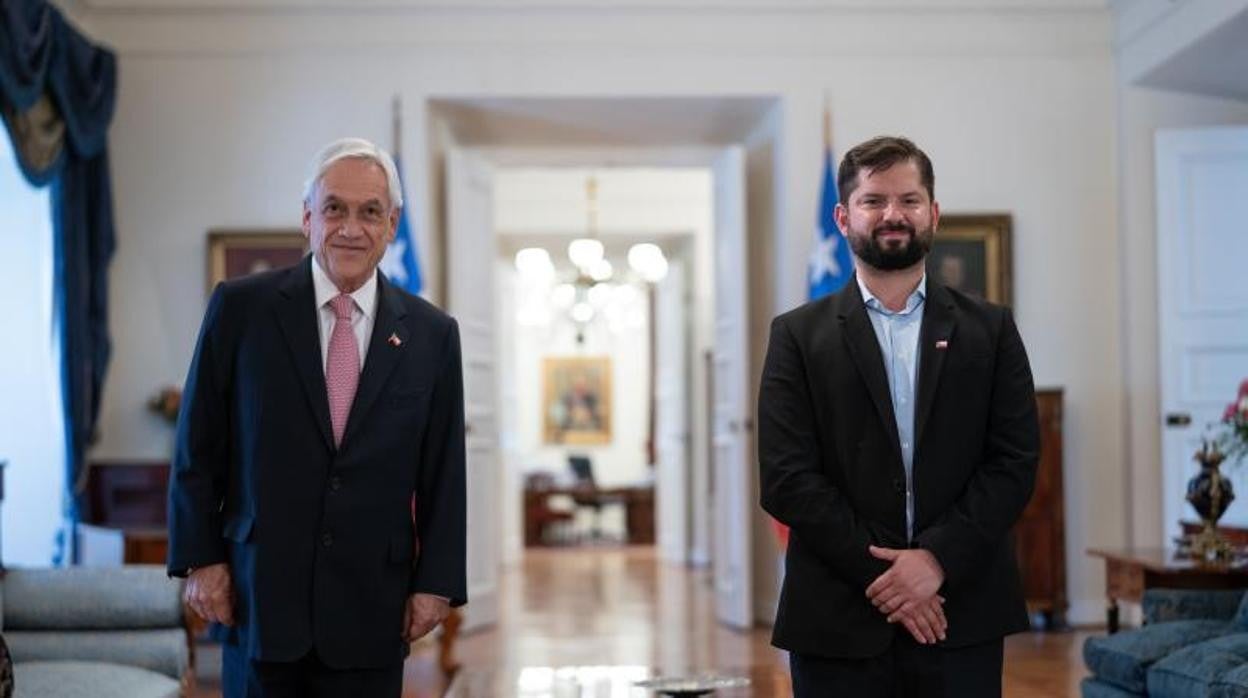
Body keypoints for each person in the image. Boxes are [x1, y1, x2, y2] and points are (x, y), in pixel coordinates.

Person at [167, 137, 466, 697]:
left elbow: (444, 473)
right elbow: (197, 446)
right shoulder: (240, 310)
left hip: (372, 605)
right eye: (335, 208)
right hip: (258, 598)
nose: (351, 227)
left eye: (370, 211)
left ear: (392, 224)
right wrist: (200, 558)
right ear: (307, 217)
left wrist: (438, 584)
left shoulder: (432, 334)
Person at [757, 136, 1038, 697]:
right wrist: (892, 576)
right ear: (842, 217)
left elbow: (1014, 462)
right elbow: (788, 478)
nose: (893, 214)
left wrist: (935, 559)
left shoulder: (991, 329)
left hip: (961, 610)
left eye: (909, 200)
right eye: (873, 200)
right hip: (836, 613)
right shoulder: (796, 336)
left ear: (933, 213)